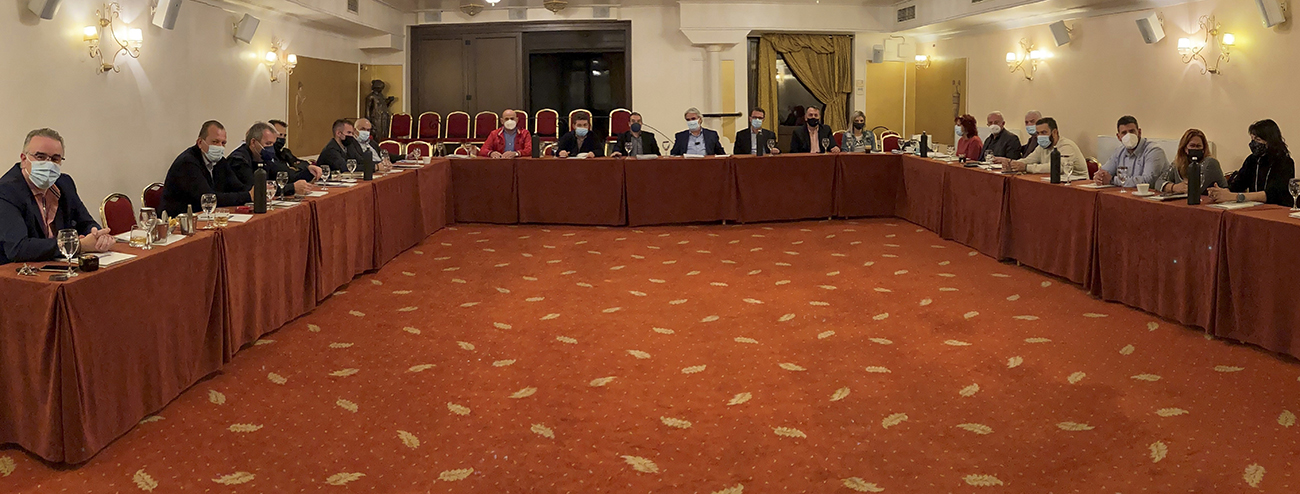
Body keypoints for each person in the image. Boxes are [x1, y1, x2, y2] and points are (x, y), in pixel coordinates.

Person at [0, 128, 113, 264]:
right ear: (24, 159)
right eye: (40, 157)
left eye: (55, 159)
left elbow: (85, 222)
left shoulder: (64, 183)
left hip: (59, 265)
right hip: (17, 271)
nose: (48, 164)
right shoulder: (6, 190)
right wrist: (78, 245)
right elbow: (18, 248)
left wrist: (98, 236)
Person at [161, 121, 252, 216]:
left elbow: (237, 187)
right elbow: (208, 199)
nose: (220, 147)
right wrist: (248, 196)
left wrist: (255, 192)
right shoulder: (187, 163)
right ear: (200, 142)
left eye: (223, 143)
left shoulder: (220, 162)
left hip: (205, 216)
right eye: (215, 142)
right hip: (179, 219)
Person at [1209, 119, 1297, 206]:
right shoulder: (1252, 160)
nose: (1253, 143)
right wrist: (1222, 192)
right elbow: (1239, 184)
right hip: (1255, 207)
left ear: (1270, 141)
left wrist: (1236, 197)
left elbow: (1273, 194)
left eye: (1258, 139)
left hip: (1277, 209)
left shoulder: (1285, 162)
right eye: (1252, 139)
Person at [228, 122, 314, 196]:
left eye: (272, 144)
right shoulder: (238, 160)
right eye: (268, 143)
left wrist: (309, 171)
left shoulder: (264, 157)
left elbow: (284, 175)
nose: (271, 148)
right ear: (253, 142)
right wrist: (292, 188)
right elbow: (256, 189)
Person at [996, 117, 1087, 177]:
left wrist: (1026, 167)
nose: (1040, 136)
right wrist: (1012, 165)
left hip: (1076, 184)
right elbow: (1028, 160)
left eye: (1044, 132)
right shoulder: (1042, 146)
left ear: (1054, 132)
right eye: (1038, 133)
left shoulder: (1067, 146)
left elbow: (1058, 168)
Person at [1093, 116, 1168, 187]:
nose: (1128, 136)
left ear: (1139, 132)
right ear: (1119, 137)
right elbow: (1104, 172)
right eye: (1124, 133)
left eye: (1132, 131)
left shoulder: (1154, 151)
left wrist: (1112, 180)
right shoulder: (1119, 152)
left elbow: (1148, 181)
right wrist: (1099, 177)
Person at [1156, 129, 1227, 196]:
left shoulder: (1210, 163)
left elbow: (1194, 189)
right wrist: (1175, 187)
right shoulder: (1177, 163)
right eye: (1192, 146)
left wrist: (1170, 187)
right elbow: (1158, 183)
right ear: (1185, 148)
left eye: (1198, 146)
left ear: (1203, 149)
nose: (1195, 149)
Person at [268, 119, 321, 188]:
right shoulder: (268, 156)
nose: (282, 138)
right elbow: (288, 176)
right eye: (280, 135)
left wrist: (308, 168)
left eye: (284, 136)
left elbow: (300, 163)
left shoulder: (285, 152)